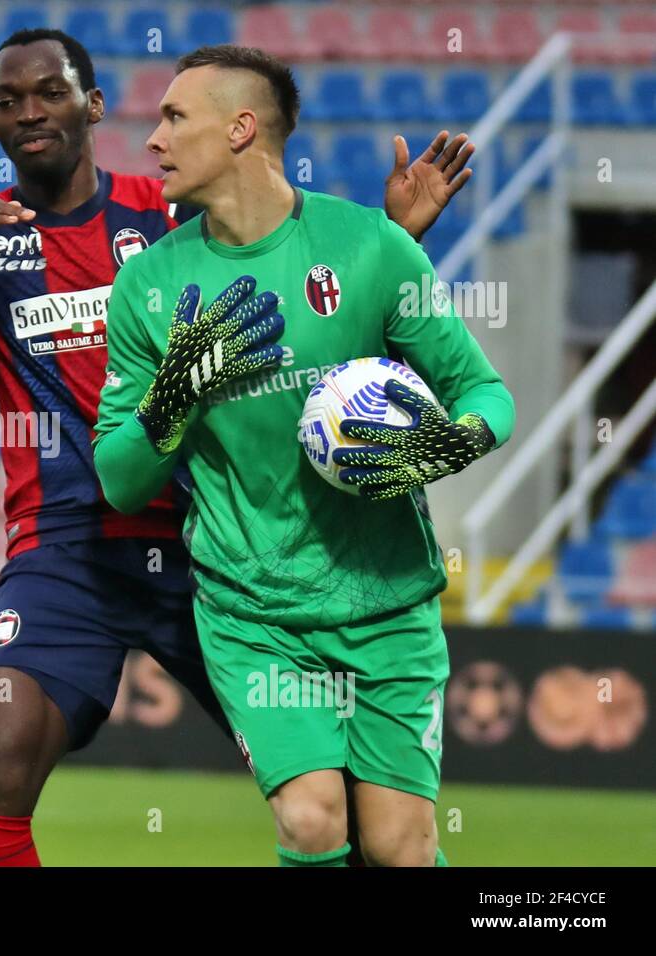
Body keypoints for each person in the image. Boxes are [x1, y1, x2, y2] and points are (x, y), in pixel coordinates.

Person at [0, 28, 476, 866]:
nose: (29, 113)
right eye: (5, 101)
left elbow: (309, 287)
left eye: (49, 92)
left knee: (350, 818)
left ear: (93, 106)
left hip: (217, 548)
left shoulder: (169, 213)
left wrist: (397, 236)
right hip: (70, 551)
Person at [93, 45, 515, 866]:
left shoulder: (373, 246)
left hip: (388, 600)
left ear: (242, 129)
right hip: (257, 613)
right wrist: (173, 395)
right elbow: (118, 479)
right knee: (313, 820)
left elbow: (484, 391)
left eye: (176, 117)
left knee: (400, 847)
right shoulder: (149, 288)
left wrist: (448, 442)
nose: (154, 140)